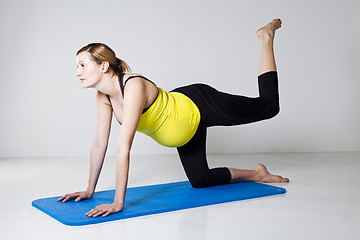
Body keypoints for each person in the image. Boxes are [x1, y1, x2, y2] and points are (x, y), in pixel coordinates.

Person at [58, 19, 289, 218]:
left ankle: (266, 37)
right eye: (76, 66)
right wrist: (89, 190)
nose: (77, 71)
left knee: (269, 107)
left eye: (82, 65)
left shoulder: (133, 85)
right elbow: (100, 144)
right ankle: (258, 174)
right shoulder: (104, 97)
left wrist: (119, 203)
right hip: (184, 130)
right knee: (201, 180)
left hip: (199, 104)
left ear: (103, 66)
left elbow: (123, 148)